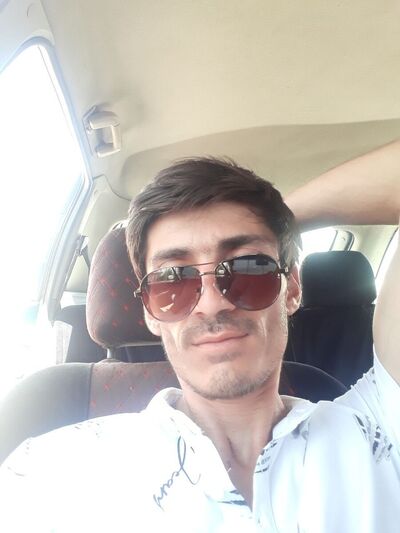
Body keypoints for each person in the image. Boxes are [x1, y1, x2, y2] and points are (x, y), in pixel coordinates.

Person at [0, 142, 399, 532]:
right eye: (172, 278)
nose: (211, 304)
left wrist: (281, 217)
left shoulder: (380, 428)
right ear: (148, 310)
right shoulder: (54, 474)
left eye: (249, 265)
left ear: (291, 288)